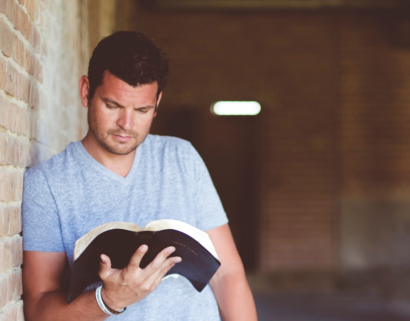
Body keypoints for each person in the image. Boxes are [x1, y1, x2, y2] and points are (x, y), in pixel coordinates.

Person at [21, 31, 257, 321]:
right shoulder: (47, 183)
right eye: (113, 105)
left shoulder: (182, 157)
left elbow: (228, 275)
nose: (126, 124)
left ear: (157, 103)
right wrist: (107, 300)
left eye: (142, 109)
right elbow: (38, 309)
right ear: (86, 91)